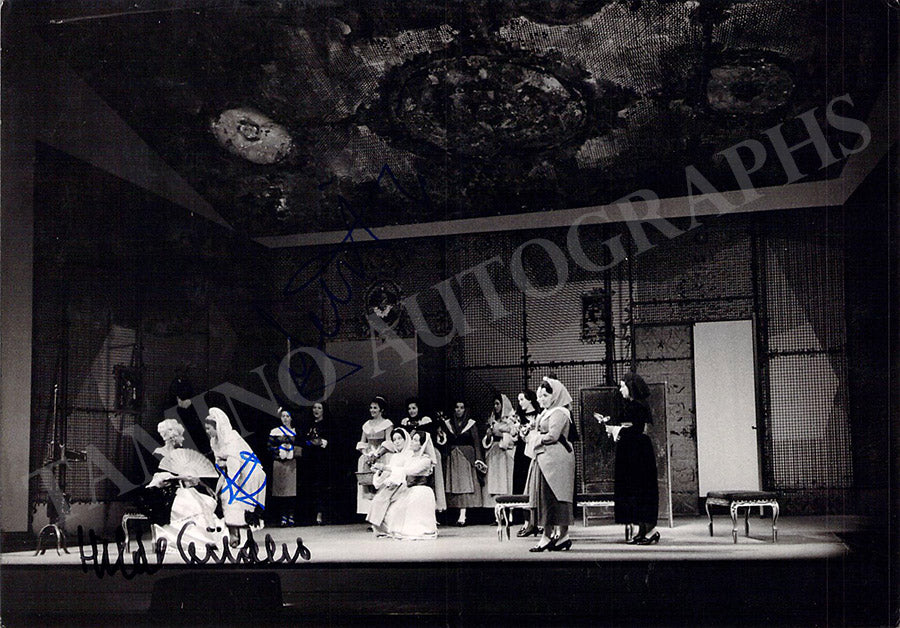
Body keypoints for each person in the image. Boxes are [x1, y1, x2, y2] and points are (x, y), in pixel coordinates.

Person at [596, 372, 659, 545]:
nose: (620, 389)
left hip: (638, 453)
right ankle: (642, 530)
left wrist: (615, 430)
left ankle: (650, 530)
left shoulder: (638, 405)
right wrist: (612, 427)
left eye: (623, 386)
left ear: (631, 387)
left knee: (641, 488)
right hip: (631, 451)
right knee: (634, 490)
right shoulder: (632, 405)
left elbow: (636, 430)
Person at [205, 407, 266, 547]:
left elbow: (234, 467)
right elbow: (222, 468)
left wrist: (230, 486)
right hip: (234, 473)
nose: (207, 431)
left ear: (217, 427)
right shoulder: (214, 442)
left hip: (249, 474)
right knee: (226, 498)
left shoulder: (231, 439)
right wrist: (218, 487)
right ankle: (234, 535)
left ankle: (243, 538)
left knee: (237, 502)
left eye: (209, 428)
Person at [527, 377, 575, 552]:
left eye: (545, 396)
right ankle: (551, 536)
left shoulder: (560, 412)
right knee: (546, 497)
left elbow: (553, 436)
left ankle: (559, 536)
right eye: (540, 396)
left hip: (556, 460)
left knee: (556, 496)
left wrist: (534, 438)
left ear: (555, 396)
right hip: (546, 458)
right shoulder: (548, 412)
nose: (542, 399)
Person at [367, 429, 438, 540]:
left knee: (402, 512)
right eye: (413, 439)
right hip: (409, 489)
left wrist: (385, 467)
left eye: (416, 440)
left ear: (421, 444)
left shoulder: (426, 460)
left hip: (421, 491)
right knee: (391, 508)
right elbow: (400, 470)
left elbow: (408, 471)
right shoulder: (411, 458)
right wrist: (381, 469)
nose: (412, 442)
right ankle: (385, 529)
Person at [441, 399, 486, 526]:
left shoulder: (471, 424)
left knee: (466, 486)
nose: (459, 410)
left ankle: (463, 515)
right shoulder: (448, 423)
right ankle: (454, 515)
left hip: (466, 458)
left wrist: (478, 459)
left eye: (462, 407)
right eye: (457, 407)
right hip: (452, 458)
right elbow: (444, 441)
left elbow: (476, 443)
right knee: (453, 486)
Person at [400, 398, 446, 513]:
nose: (411, 411)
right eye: (409, 409)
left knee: (431, 481)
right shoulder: (405, 422)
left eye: (414, 408)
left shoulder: (426, 421)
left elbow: (428, 438)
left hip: (427, 454)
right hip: (412, 455)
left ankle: (434, 508)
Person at [355, 396, 394, 516]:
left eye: (375, 408)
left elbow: (388, 442)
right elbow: (362, 443)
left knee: (381, 484)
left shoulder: (387, 424)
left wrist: (377, 454)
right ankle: (369, 513)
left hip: (382, 455)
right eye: (371, 407)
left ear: (381, 410)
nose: (372, 410)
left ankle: (382, 514)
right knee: (367, 482)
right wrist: (366, 454)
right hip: (368, 456)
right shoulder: (366, 425)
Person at [481, 393, 518, 508]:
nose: (495, 406)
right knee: (493, 480)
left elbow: (515, 437)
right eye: (494, 404)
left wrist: (501, 434)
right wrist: (488, 436)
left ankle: (507, 508)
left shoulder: (511, 420)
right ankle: (493, 507)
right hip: (493, 452)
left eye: (497, 404)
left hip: (505, 453)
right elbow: (487, 440)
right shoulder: (492, 419)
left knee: (505, 481)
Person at [514, 389, 541, 537]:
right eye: (519, 400)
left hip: (536, 452)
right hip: (522, 454)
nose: (520, 402)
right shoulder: (517, 417)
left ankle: (539, 522)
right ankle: (526, 522)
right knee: (522, 484)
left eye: (522, 399)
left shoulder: (540, 415)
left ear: (530, 399)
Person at [300, 401, 331, 525]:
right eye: (314, 407)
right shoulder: (308, 424)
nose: (316, 410)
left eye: (319, 408)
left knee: (321, 487)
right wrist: (310, 442)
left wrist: (321, 442)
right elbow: (304, 440)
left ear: (323, 410)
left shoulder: (328, 424)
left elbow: (331, 441)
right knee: (309, 486)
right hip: (309, 459)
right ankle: (309, 515)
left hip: (322, 460)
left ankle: (321, 514)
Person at [267, 407, 298, 527]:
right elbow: (269, 447)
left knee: (291, 491)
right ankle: (283, 516)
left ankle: (291, 515)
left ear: (291, 418)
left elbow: (301, 446)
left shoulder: (295, 431)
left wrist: (291, 449)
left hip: (291, 464)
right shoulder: (275, 431)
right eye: (283, 416)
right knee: (281, 491)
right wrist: (279, 449)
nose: (285, 418)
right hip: (279, 463)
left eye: (287, 416)